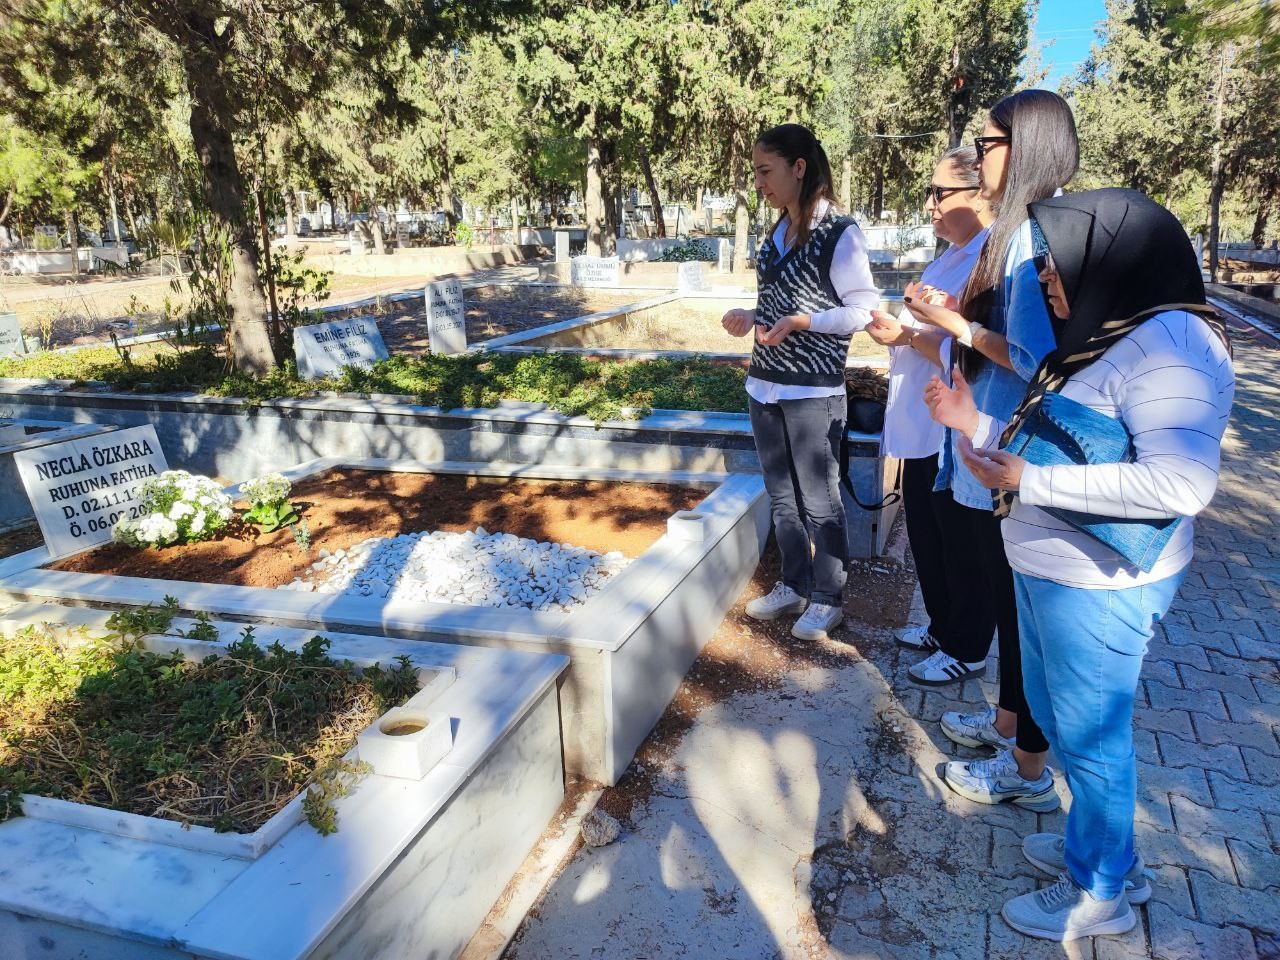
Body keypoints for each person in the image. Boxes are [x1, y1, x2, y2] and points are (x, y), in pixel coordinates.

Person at [928, 187, 1234, 941]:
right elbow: (1064, 438)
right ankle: (1108, 856)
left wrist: (1032, 484)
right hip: (1052, 572)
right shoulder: (1112, 332)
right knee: (1065, 724)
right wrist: (975, 422)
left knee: (1094, 741)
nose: (1046, 282)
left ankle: (1100, 893)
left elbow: (1183, 483)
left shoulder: (1176, 346)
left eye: (1055, 265)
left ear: (1115, 257)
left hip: (1100, 584)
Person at [905, 90, 1077, 811]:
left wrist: (958, 327)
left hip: (1012, 447)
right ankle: (1008, 723)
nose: (980, 159)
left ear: (1028, 145)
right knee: (1010, 606)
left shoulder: (1035, 239)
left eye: (989, 144)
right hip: (989, 440)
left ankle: (1026, 767)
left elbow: (1040, 358)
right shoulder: (1026, 231)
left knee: (1022, 612)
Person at [722, 123, 879, 641]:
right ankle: (793, 582)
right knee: (781, 496)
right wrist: (752, 314)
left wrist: (805, 322)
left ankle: (829, 596)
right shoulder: (776, 232)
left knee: (819, 499)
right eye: (756, 172)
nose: (760, 183)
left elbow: (862, 311)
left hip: (813, 390)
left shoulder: (840, 232)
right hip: (764, 385)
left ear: (799, 168)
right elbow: (779, 299)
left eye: (766, 171)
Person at [864, 146, 993, 675]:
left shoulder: (989, 261)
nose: (930, 204)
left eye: (940, 193)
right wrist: (902, 333)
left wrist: (910, 335)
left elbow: (981, 349)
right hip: (924, 422)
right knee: (928, 533)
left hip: (956, 424)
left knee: (961, 543)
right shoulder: (950, 255)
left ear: (980, 194)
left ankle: (965, 650)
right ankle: (942, 628)